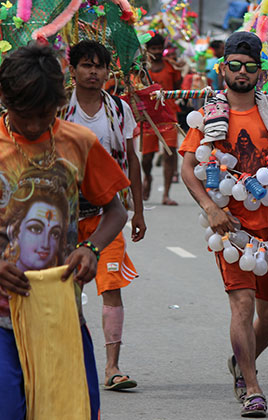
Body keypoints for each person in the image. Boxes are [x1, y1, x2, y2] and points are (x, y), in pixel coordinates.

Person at [180, 31, 268, 418]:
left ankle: (241, 361)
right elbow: (188, 168)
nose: (241, 73)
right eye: (234, 65)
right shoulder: (207, 117)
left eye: (249, 67)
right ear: (223, 69)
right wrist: (210, 208)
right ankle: (252, 386)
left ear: (259, 72)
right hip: (233, 231)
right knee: (242, 304)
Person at [0, 44, 129, 420]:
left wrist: (91, 247)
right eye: (26, 115)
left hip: (60, 313)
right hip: (2, 318)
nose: (37, 124)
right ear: (5, 99)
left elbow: (116, 210)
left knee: (74, 412)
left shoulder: (78, 142)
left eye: (46, 113)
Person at [64, 40, 146, 391]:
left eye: (99, 66)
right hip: (64, 216)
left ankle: (112, 367)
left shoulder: (118, 109)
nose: (93, 72)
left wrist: (138, 210)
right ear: (73, 70)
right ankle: (69, 363)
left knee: (111, 288)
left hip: (106, 214)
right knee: (65, 291)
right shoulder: (57, 108)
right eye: (86, 65)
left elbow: (132, 158)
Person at [142, 33, 181, 205]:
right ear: (147, 50)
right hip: (148, 118)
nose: (157, 51)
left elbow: (179, 89)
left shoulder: (172, 68)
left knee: (170, 154)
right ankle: (148, 177)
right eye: (154, 48)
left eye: (159, 48)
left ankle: (166, 193)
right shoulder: (142, 70)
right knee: (147, 158)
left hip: (169, 117)